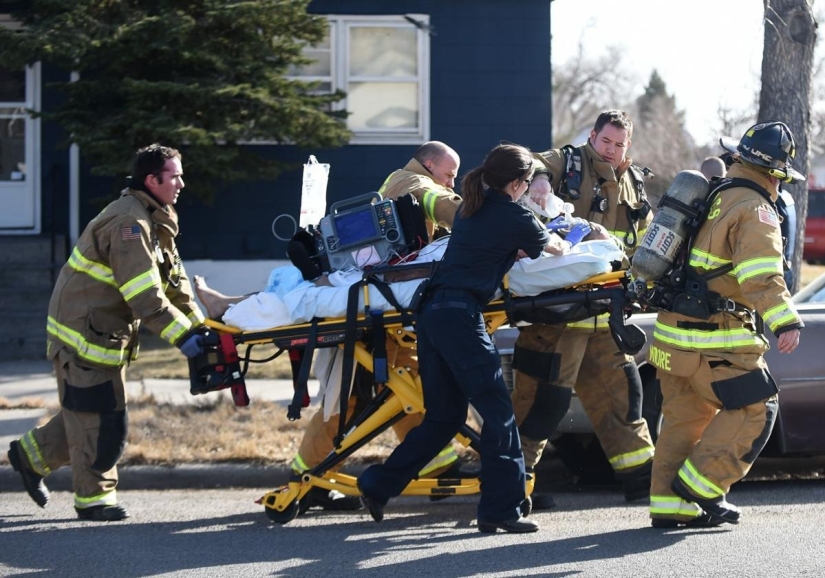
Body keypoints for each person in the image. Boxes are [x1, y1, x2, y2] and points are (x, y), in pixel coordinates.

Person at [7, 144, 207, 522]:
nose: (182, 182)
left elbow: (174, 282)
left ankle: (29, 456)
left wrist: (201, 326)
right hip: (82, 336)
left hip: (103, 333)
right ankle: (94, 500)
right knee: (100, 420)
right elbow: (143, 294)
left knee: (90, 413)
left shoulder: (155, 217)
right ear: (153, 180)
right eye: (175, 175)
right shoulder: (129, 225)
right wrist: (183, 338)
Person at [357, 143, 550, 534]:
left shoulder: (469, 209)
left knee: (444, 417)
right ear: (516, 183)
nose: (528, 189)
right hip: (460, 317)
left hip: (431, 315)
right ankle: (502, 509)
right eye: (527, 183)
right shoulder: (515, 216)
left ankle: (378, 484)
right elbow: (548, 247)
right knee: (498, 414)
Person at [647, 121, 803, 528]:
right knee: (757, 409)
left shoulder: (711, 194)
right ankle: (700, 490)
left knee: (684, 418)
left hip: (670, 336)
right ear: (775, 174)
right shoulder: (756, 211)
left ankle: (670, 507)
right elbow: (761, 276)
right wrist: (785, 321)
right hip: (714, 338)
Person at [511, 109, 656, 509]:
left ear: (628, 146)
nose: (611, 150)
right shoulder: (567, 162)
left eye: (619, 145)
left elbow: (643, 245)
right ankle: (512, 489)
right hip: (556, 315)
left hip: (606, 317)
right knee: (540, 407)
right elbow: (529, 161)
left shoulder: (635, 185)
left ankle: (644, 485)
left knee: (623, 402)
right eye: (605, 141)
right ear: (593, 136)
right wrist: (539, 181)